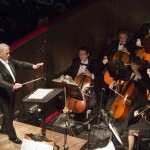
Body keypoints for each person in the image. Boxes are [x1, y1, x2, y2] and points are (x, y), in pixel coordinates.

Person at [0, 43, 43, 144]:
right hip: (3, 93)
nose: (9, 55)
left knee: (10, 112)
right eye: (7, 53)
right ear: (0, 53)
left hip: (12, 91)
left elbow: (20, 63)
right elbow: (0, 82)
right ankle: (12, 136)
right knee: (8, 115)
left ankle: (3, 129)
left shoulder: (9, 59)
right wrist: (12, 86)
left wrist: (33, 66)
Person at [105, 56, 150, 135]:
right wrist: (113, 81)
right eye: (131, 64)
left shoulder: (143, 73)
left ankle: (122, 129)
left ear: (138, 65)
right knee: (112, 100)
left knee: (132, 109)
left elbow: (147, 86)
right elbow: (119, 75)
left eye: (133, 64)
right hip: (128, 95)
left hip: (140, 98)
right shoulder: (129, 71)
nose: (131, 66)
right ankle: (108, 121)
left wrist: (139, 75)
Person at [67, 46, 104, 114]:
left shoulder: (94, 63)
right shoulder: (75, 61)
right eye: (80, 54)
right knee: (62, 97)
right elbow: (70, 74)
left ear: (88, 55)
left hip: (87, 88)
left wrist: (91, 75)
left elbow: (101, 78)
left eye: (83, 54)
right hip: (75, 85)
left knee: (93, 102)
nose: (81, 56)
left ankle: (90, 115)